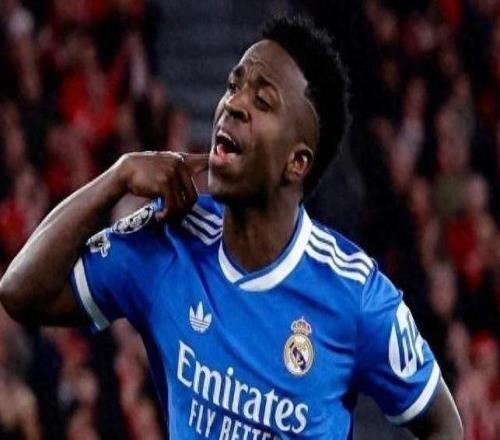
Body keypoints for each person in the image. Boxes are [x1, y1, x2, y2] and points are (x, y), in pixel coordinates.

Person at [0, 16, 462, 439]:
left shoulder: (355, 294)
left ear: (297, 162)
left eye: (262, 101)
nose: (233, 105)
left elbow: (443, 425)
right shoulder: (168, 241)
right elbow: (20, 291)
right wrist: (117, 178)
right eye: (233, 86)